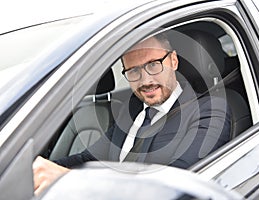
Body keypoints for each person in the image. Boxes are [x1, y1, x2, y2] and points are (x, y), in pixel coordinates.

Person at [33, 33, 231, 195]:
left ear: (173, 60)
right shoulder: (131, 111)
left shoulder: (211, 110)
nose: (145, 80)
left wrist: (69, 180)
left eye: (154, 64)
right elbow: (88, 158)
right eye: (133, 71)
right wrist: (33, 171)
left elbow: (175, 183)